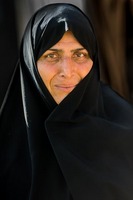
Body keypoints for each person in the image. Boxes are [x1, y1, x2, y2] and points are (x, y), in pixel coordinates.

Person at [0, 3, 133, 200]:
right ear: (30, 64)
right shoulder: (6, 149)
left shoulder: (126, 134)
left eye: (79, 55)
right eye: (52, 55)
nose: (67, 71)